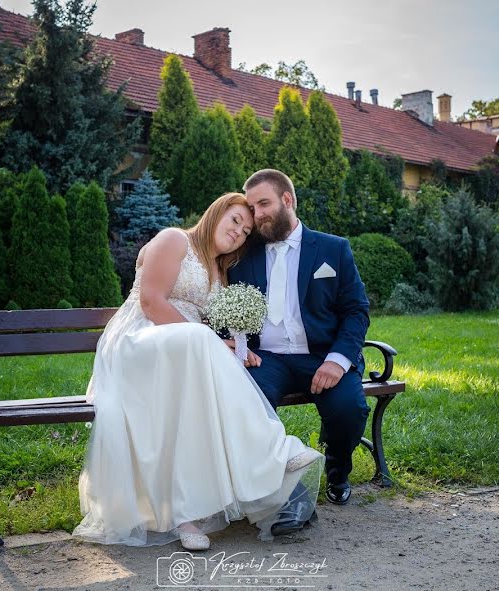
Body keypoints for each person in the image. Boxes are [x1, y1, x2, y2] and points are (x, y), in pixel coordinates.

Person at [74, 192, 323, 551]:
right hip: (139, 343)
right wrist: (209, 341)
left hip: (183, 356)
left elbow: (209, 332)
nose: (239, 231)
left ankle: (187, 514)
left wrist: (238, 349)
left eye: (246, 230)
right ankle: (276, 451)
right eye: (234, 220)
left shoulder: (219, 269)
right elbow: (150, 301)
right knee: (198, 339)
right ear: (214, 213)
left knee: (198, 408)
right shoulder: (174, 239)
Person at [229, 169, 371, 534]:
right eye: (252, 207)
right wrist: (237, 344)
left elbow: (356, 310)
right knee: (245, 405)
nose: (257, 214)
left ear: (287, 200)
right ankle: (271, 492)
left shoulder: (332, 248)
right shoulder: (243, 255)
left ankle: (338, 470)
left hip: (321, 355)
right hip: (267, 358)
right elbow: (225, 308)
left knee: (348, 409)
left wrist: (338, 361)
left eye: (264, 204)